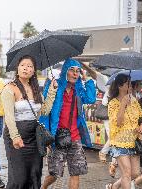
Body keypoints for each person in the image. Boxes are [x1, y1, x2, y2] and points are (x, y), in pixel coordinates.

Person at [1, 55, 57, 189]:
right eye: (23, 65)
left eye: (30, 66)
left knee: (35, 174)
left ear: (34, 71)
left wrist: (52, 90)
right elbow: (8, 117)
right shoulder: (9, 88)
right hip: (16, 135)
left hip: (34, 136)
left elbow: (44, 111)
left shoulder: (36, 89)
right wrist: (15, 136)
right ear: (18, 68)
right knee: (19, 177)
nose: (26, 68)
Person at [42, 58, 96, 189]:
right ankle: (43, 187)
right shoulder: (55, 86)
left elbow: (91, 98)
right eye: (72, 70)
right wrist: (47, 137)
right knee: (55, 173)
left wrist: (87, 79)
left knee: (76, 172)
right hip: (57, 137)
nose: (75, 74)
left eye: (78, 71)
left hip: (75, 137)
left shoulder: (78, 90)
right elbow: (45, 111)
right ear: (65, 71)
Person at [105, 74, 142, 189]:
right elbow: (118, 122)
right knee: (126, 173)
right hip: (119, 142)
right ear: (120, 86)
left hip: (134, 142)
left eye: (131, 83)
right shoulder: (113, 103)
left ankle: (114, 186)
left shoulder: (134, 101)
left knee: (135, 173)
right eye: (128, 84)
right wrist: (123, 104)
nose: (131, 86)